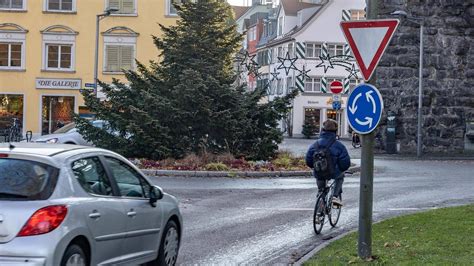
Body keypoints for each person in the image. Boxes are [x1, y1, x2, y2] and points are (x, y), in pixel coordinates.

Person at [305, 119, 351, 206]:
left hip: (319, 171)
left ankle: (320, 196)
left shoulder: (315, 144)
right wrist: (342, 169)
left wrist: (314, 166)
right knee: (340, 176)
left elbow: (308, 160)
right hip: (333, 172)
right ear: (335, 131)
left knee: (319, 176)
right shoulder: (339, 146)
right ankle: (335, 196)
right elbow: (345, 163)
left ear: (323, 130)